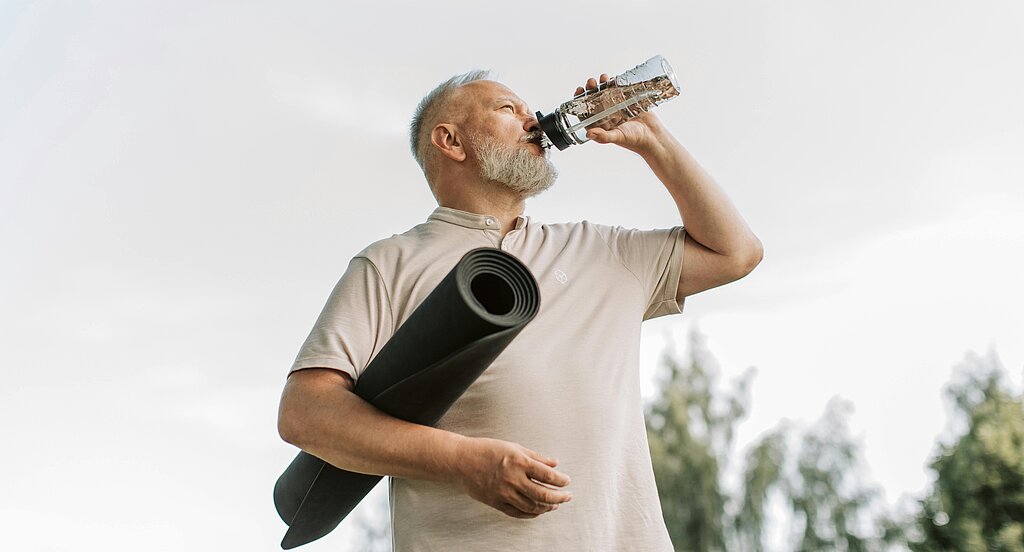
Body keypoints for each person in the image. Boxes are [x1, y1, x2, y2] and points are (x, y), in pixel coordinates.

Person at [277, 69, 763, 551]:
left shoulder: (600, 250)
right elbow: (304, 413)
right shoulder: (389, 264)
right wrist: (464, 461)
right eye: (507, 109)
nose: (532, 118)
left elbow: (736, 253)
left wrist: (653, 139)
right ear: (451, 141)